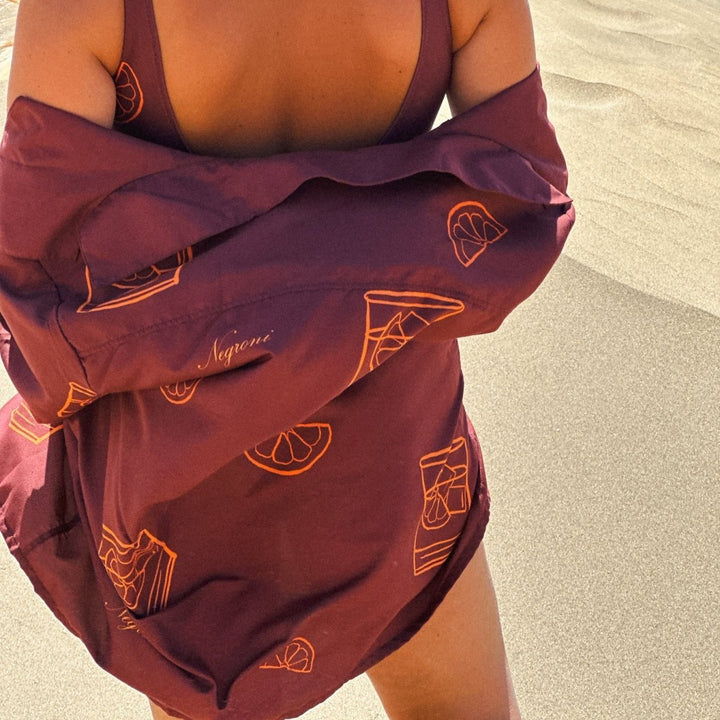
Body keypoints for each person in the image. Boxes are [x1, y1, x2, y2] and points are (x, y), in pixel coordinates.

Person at [2, 0, 552, 718]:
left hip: (186, 483)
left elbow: (40, 285)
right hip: (396, 461)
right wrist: (350, 264)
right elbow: (519, 198)